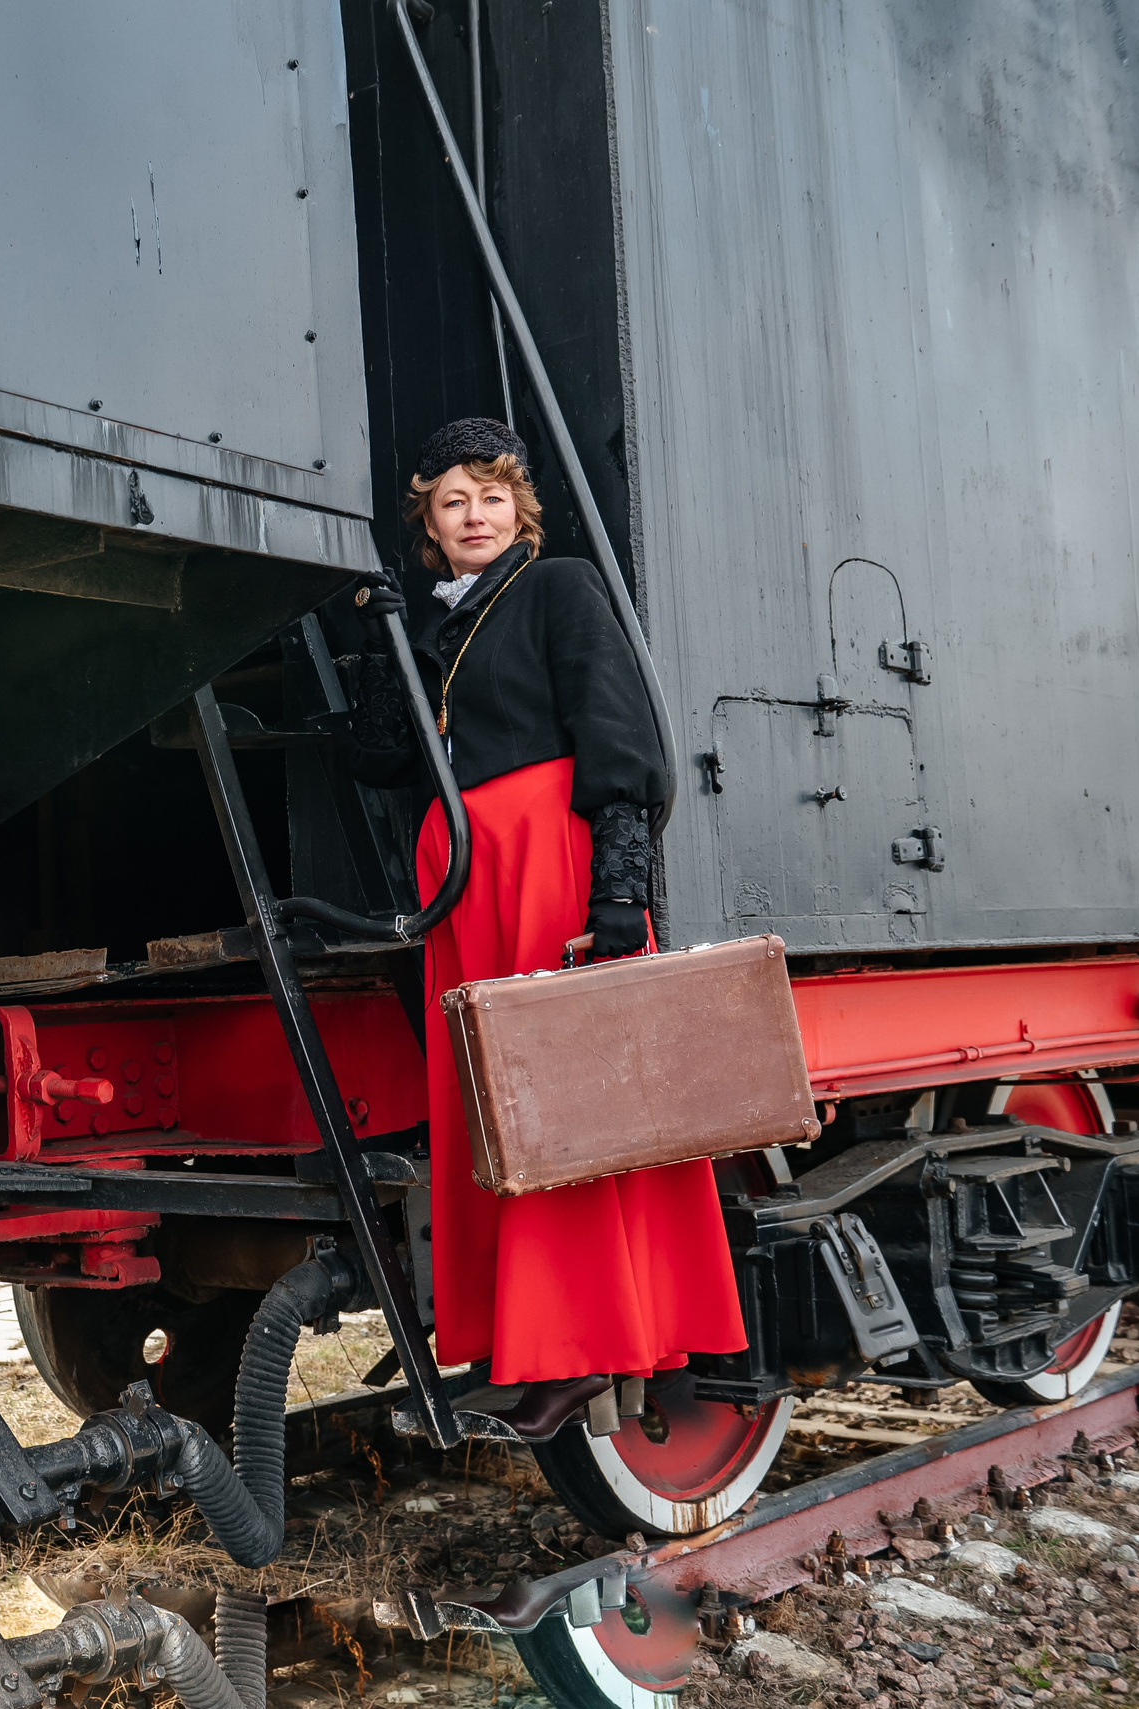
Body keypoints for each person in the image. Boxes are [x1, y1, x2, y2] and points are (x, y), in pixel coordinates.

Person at [351, 416, 744, 1439]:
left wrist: (620, 899)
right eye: (452, 501)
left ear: (517, 507)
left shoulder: (558, 586)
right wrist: (386, 641)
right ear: (429, 526)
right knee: (499, 1115)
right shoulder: (439, 621)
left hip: (545, 869)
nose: (474, 514)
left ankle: (586, 1347)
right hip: (471, 885)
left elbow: (622, 736)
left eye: (490, 495)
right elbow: (384, 758)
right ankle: (531, 1341)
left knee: (568, 1106)